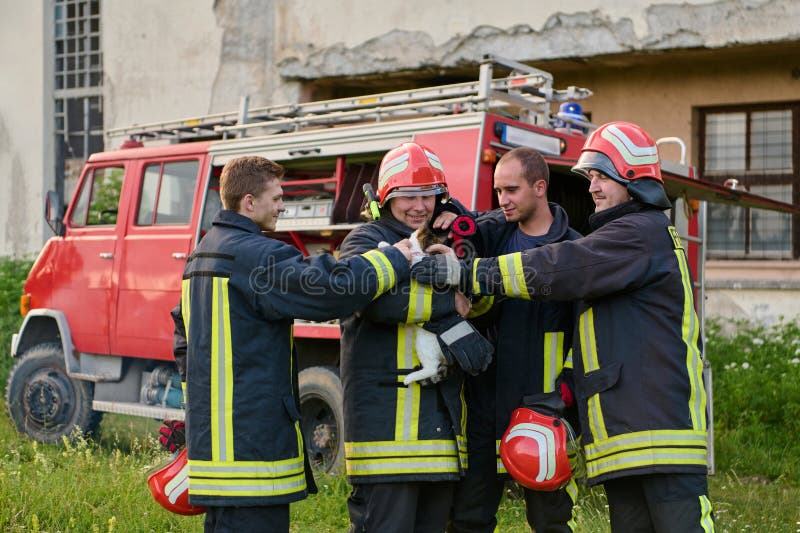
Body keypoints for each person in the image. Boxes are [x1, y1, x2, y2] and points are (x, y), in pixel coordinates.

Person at [412, 122, 715, 532]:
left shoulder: (638, 233)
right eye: (590, 177)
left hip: (657, 431)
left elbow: (561, 266)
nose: (592, 187)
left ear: (634, 179)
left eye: (602, 176)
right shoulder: (625, 236)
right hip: (631, 436)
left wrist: (468, 273)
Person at [171, 155, 413, 533]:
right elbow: (332, 290)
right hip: (251, 453)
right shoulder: (258, 256)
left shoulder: (200, 255)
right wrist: (394, 259)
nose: (283, 205)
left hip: (213, 452)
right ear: (249, 202)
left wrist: (198, 408)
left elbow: (182, 337)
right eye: (277, 197)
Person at [338, 142, 493, 533]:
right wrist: (450, 293)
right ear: (387, 196)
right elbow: (377, 303)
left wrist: (465, 277)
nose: (419, 206)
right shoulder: (364, 240)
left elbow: (482, 301)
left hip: (439, 436)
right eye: (408, 196)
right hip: (385, 436)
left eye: (428, 196)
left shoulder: (449, 239)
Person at [448, 147, 581, 533]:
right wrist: (452, 216)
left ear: (540, 187)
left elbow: (586, 333)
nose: (502, 200)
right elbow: (464, 230)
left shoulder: (574, 250)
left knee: (550, 521)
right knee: (468, 517)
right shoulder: (493, 236)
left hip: (543, 408)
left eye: (511, 190)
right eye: (498, 190)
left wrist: (566, 393)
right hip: (485, 401)